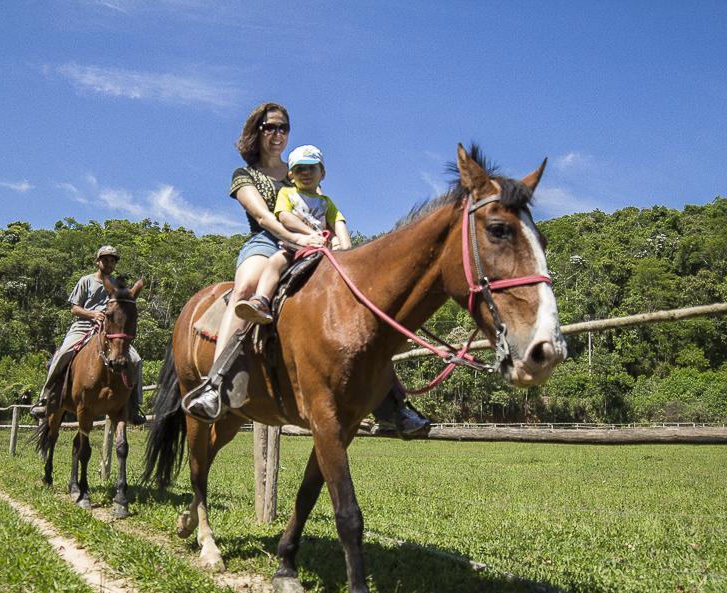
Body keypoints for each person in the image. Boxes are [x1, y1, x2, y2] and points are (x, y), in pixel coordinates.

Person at [184, 102, 429, 437]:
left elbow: (325, 210)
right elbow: (265, 218)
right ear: (257, 131)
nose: (277, 134)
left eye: (283, 127)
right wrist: (300, 237)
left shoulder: (298, 167)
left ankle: (393, 401)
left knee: (354, 305)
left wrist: (337, 241)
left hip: (313, 245)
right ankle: (216, 381)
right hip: (267, 243)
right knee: (247, 285)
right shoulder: (245, 175)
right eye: (269, 127)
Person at [235, 144, 350, 324]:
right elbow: (285, 217)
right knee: (276, 261)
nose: (306, 172)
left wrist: (345, 249)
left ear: (323, 173)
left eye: (312, 168)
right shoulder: (287, 193)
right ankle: (261, 300)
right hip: (295, 246)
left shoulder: (326, 202)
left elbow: (338, 222)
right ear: (291, 175)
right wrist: (310, 234)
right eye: (299, 169)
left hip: (321, 250)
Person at [29, 245, 144, 425]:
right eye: (105, 259)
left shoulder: (117, 286)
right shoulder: (86, 281)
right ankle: (45, 399)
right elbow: (74, 309)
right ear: (97, 262)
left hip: (109, 330)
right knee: (62, 354)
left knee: (136, 360)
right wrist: (93, 314)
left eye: (112, 260)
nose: (108, 263)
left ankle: (134, 405)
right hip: (83, 326)